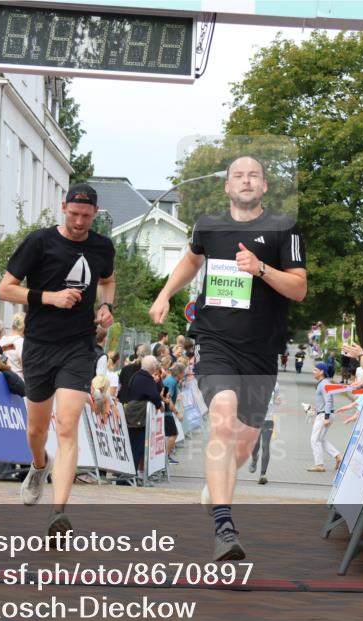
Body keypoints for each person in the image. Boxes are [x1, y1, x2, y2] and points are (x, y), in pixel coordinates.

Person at [149, 156, 307, 561]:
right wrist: (165, 294)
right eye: (239, 175)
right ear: (227, 186)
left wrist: (261, 268)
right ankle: (224, 526)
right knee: (222, 417)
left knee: (242, 445)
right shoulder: (208, 225)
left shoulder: (284, 228)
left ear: (265, 185)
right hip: (215, 340)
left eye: (254, 175)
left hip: (262, 350)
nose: (246, 180)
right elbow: (191, 260)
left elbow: (299, 288)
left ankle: (215, 487)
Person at [0, 183, 116, 539]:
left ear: (95, 214)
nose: (79, 222)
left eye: (86, 216)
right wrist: (50, 297)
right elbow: (5, 289)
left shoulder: (102, 247)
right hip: (39, 345)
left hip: (78, 347)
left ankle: (58, 513)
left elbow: (108, 281)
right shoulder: (40, 242)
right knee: (37, 430)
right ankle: (38, 465)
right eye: (74, 214)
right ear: (63, 208)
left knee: (66, 424)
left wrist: (106, 306)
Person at [123, 355, 164, 479]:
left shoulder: (137, 375)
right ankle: (129, 477)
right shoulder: (146, 378)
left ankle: (128, 477)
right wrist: (159, 405)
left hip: (132, 413)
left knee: (133, 446)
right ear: (153, 367)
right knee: (136, 447)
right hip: (138, 417)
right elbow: (155, 395)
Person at [309, 362, 342, 472]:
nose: (313, 372)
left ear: (321, 371)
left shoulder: (324, 384)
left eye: (315, 370)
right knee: (321, 439)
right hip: (323, 414)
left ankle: (319, 465)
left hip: (325, 414)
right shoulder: (323, 383)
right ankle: (338, 456)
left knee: (315, 440)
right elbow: (324, 401)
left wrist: (326, 417)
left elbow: (328, 401)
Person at [248, 381, 280, 485]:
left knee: (265, 445)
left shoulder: (275, 385)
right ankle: (254, 458)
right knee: (255, 446)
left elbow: (276, 399)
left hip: (268, 420)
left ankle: (263, 474)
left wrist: (277, 400)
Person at [161, 361, 182, 465]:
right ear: (180, 373)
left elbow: (164, 396)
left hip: (164, 412)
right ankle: (166, 458)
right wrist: (177, 413)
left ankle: (165, 457)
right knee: (173, 434)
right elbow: (167, 399)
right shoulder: (172, 382)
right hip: (166, 413)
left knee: (170, 434)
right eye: (183, 372)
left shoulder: (169, 380)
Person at [0, 311, 26, 378]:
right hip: (19, 379)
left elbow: (0, 358)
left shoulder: (2, 340)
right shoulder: (21, 342)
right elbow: (25, 366)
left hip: (4, 379)